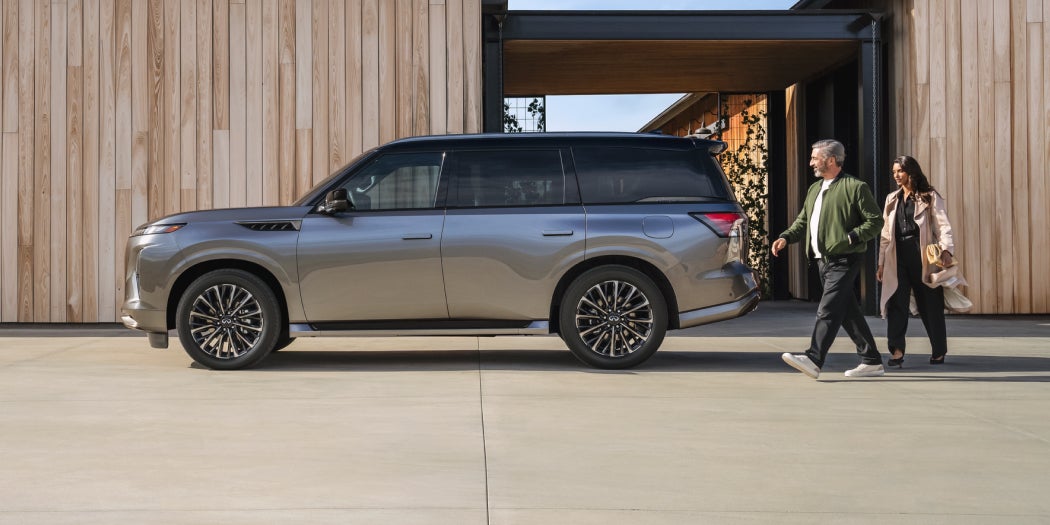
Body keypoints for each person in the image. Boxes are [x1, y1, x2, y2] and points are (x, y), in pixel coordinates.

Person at [771, 139, 885, 379]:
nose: (811, 162)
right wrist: (786, 237)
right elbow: (803, 222)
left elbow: (875, 221)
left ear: (831, 160)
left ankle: (814, 358)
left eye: (815, 157)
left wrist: (852, 237)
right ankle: (871, 359)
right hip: (822, 261)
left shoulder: (855, 187)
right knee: (846, 311)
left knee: (828, 309)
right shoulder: (815, 189)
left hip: (845, 259)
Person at [877, 155, 960, 366]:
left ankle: (938, 350)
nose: (896, 175)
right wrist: (881, 263)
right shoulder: (891, 199)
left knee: (930, 304)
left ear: (910, 172)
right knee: (897, 302)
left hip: (922, 254)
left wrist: (947, 250)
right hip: (897, 255)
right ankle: (896, 351)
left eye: (900, 171)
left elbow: (943, 226)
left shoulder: (929, 196)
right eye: (894, 171)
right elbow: (886, 234)